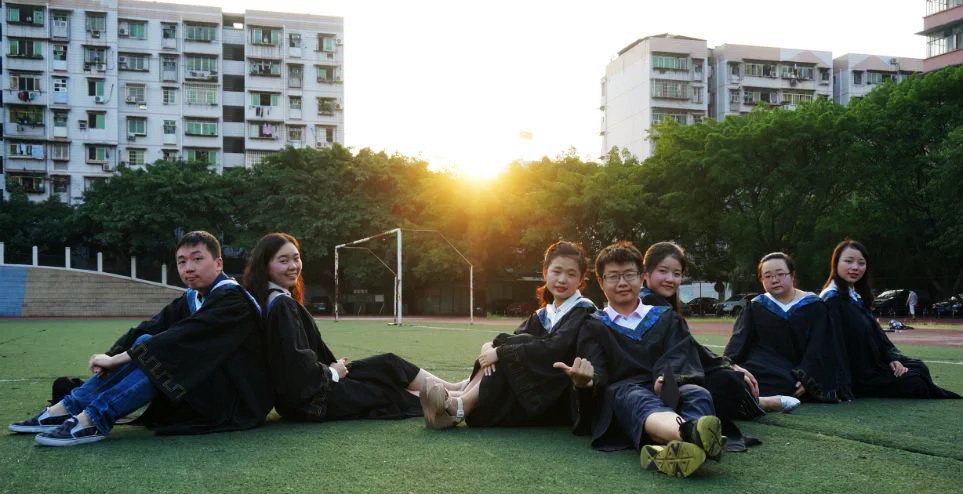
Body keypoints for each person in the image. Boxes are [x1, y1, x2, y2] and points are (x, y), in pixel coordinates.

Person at [9, 231, 272, 446]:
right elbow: (153, 325)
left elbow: (181, 337)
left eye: (197, 259)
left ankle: (95, 419)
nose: (189, 268)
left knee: (166, 352)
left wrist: (117, 360)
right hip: (204, 384)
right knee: (147, 336)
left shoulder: (232, 300)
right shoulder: (194, 296)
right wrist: (111, 356)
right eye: (182, 261)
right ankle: (68, 408)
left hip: (236, 399)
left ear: (218, 263)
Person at [244, 232, 461, 422]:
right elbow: (296, 368)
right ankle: (455, 401)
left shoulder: (275, 298)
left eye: (296, 258)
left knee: (388, 363)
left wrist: (332, 369)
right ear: (266, 266)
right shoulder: (280, 306)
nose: (293, 266)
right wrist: (331, 372)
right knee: (385, 393)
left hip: (315, 386)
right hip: (311, 400)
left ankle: (455, 388)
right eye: (283, 261)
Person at [557, 241, 722, 478]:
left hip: (665, 387)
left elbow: (679, 353)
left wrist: (667, 376)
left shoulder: (665, 317)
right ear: (601, 283)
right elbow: (598, 370)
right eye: (613, 276)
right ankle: (693, 434)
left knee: (698, 392)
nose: (622, 283)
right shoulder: (594, 325)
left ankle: (676, 447)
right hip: (623, 394)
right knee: (636, 397)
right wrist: (587, 381)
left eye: (629, 275)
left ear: (642, 277)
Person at [420, 241, 597, 428]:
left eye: (571, 274)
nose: (562, 279)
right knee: (508, 345)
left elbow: (555, 348)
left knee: (510, 350)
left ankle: (458, 406)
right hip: (534, 385)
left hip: (555, 391)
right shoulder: (545, 313)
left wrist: (499, 352)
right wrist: (489, 346)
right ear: (545, 272)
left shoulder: (583, 311)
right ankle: (459, 399)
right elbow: (513, 338)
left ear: (581, 279)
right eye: (557, 271)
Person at [638, 242, 772, 453]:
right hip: (655, 379)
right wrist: (727, 366)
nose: (670, 279)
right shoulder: (644, 305)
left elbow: (689, 347)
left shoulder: (664, 306)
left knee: (728, 378)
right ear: (645, 273)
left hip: (672, 373)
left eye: (676, 273)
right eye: (662, 271)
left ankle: (755, 404)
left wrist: (727, 364)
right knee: (725, 382)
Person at [820, 240, 960, 399]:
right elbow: (834, 345)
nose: (855, 267)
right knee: (915, 381)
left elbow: (876, 334)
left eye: (861, 263)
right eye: (848, 261)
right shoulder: (831, 299)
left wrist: (891, 359)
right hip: (858, 373)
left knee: (919, 367)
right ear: (836, 263)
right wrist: (842, 383)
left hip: (872, 364)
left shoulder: (854, 296)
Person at [724, 252, 852, 404]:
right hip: (763, 366)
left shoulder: (814, 305)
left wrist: (807, 375)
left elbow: (819, 345)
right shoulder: (756, 306)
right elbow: (739, 340)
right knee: (733, 377)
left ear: (792, 275)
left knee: (789, 382)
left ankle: (758, 399)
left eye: (780, 274)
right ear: (761, 279)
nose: (775, 280)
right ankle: (761, 399)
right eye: (768, 276)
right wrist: (729, 363)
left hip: (799, 369)